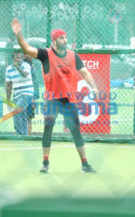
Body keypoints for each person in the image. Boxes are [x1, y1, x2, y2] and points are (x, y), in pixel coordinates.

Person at [10, 18, 98, 173]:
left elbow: (85, 72)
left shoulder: (73, 55)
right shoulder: (46, 54)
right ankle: (45, 163)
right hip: (53, 99)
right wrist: (19, 35)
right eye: (61, 38)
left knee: (75, 130)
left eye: (65, 37)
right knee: (48, 128)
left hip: (69, 99)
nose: (64, 40)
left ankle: (85, 164)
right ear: (54, 41)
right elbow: (27, 49)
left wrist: (94, 87)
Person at [6, 52, 35, 135]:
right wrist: (8, 100)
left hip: (27, 93)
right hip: (16, 95)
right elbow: (8, 85)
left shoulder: (26, 65)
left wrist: (17, 67)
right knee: (22, 115)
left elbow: (24, 75)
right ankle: (24, 135)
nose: (19, 59)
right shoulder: (9, 69)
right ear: (12, 59)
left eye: (20, 57)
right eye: (16, 57)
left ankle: (19, 134)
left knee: (16, 111)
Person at [24, 53, 40, 135]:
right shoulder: (24, 65)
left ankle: (28, 134)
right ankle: (25, 134)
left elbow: (35, 83)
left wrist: (35, 96)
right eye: (28, 54)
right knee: (24, 116)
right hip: (26, 94)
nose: (31, 56)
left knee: (29, 117)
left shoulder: (31, 65)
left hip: (31, 95)